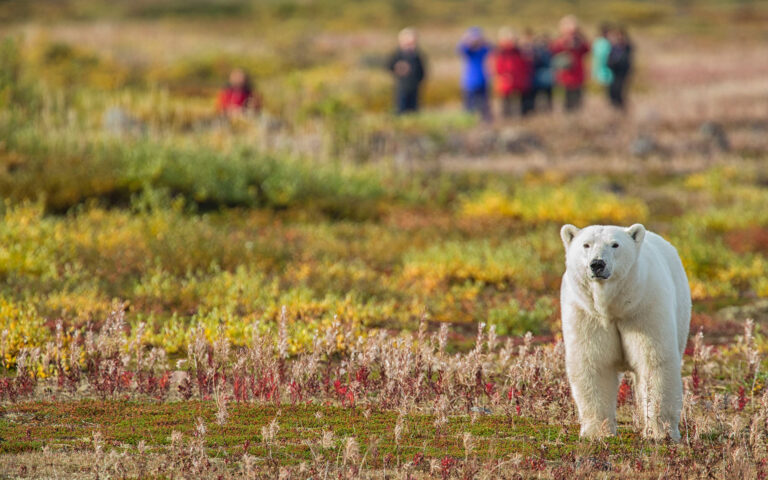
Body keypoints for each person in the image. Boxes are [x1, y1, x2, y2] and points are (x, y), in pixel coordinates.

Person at [551, 15, 590, 112]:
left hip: (578, 73)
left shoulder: (580, 40)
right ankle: (569, 115)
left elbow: (587, 49)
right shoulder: (560, 40)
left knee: (577, 97)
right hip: (566, 74)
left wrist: (579, 42)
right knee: (567, 98)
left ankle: (577, 115)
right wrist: (564, 43)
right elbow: (554, 50)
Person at [494, 28, 534, 117]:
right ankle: (508, 121)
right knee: (506, 104)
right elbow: (498, 67)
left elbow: (525, 65)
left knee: (522, 104)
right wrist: (505, 75)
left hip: (519, 81)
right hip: (507, 81)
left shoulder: (519, 51)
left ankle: (524, 120)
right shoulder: (501, 52)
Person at [387, 28, 426, 115]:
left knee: (413, 109)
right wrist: (398, 69)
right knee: (401, 108)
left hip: (414, 86)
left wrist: (419, 81)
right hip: (402, 86)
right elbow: (390, 66)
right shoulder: (397, 54)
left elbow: (422, 70)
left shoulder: (417, 55)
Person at [458, 27, 492, 121]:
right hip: (469, 83)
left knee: (484, 106)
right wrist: (466, 39)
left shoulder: (483, 50)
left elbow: (491, 47)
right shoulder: (469, 51)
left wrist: (482, 41)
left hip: (482, 81)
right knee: (469, 106)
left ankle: (485, 122)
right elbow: (460, 48)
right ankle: (468, 121)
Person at [607, 27, 633, 110]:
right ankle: (615, 107)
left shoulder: (626, 47)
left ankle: (621, 108)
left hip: (623, 73)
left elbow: (627, 60)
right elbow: (609, 59)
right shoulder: (613, 47)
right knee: (613, 91)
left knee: (620, 91)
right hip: (614, 72)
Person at [531, 33, 554, 112]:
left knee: (547, 99)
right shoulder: (534, 52)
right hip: (537, 79)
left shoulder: (550, 51)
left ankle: (547, 112)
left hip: (547, 79)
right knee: (537, 99)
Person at [592, 22, 614, 99]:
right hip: (604, 70)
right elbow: (599, 58)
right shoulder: (601, 42)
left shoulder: (599, 42)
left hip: (608, 70)